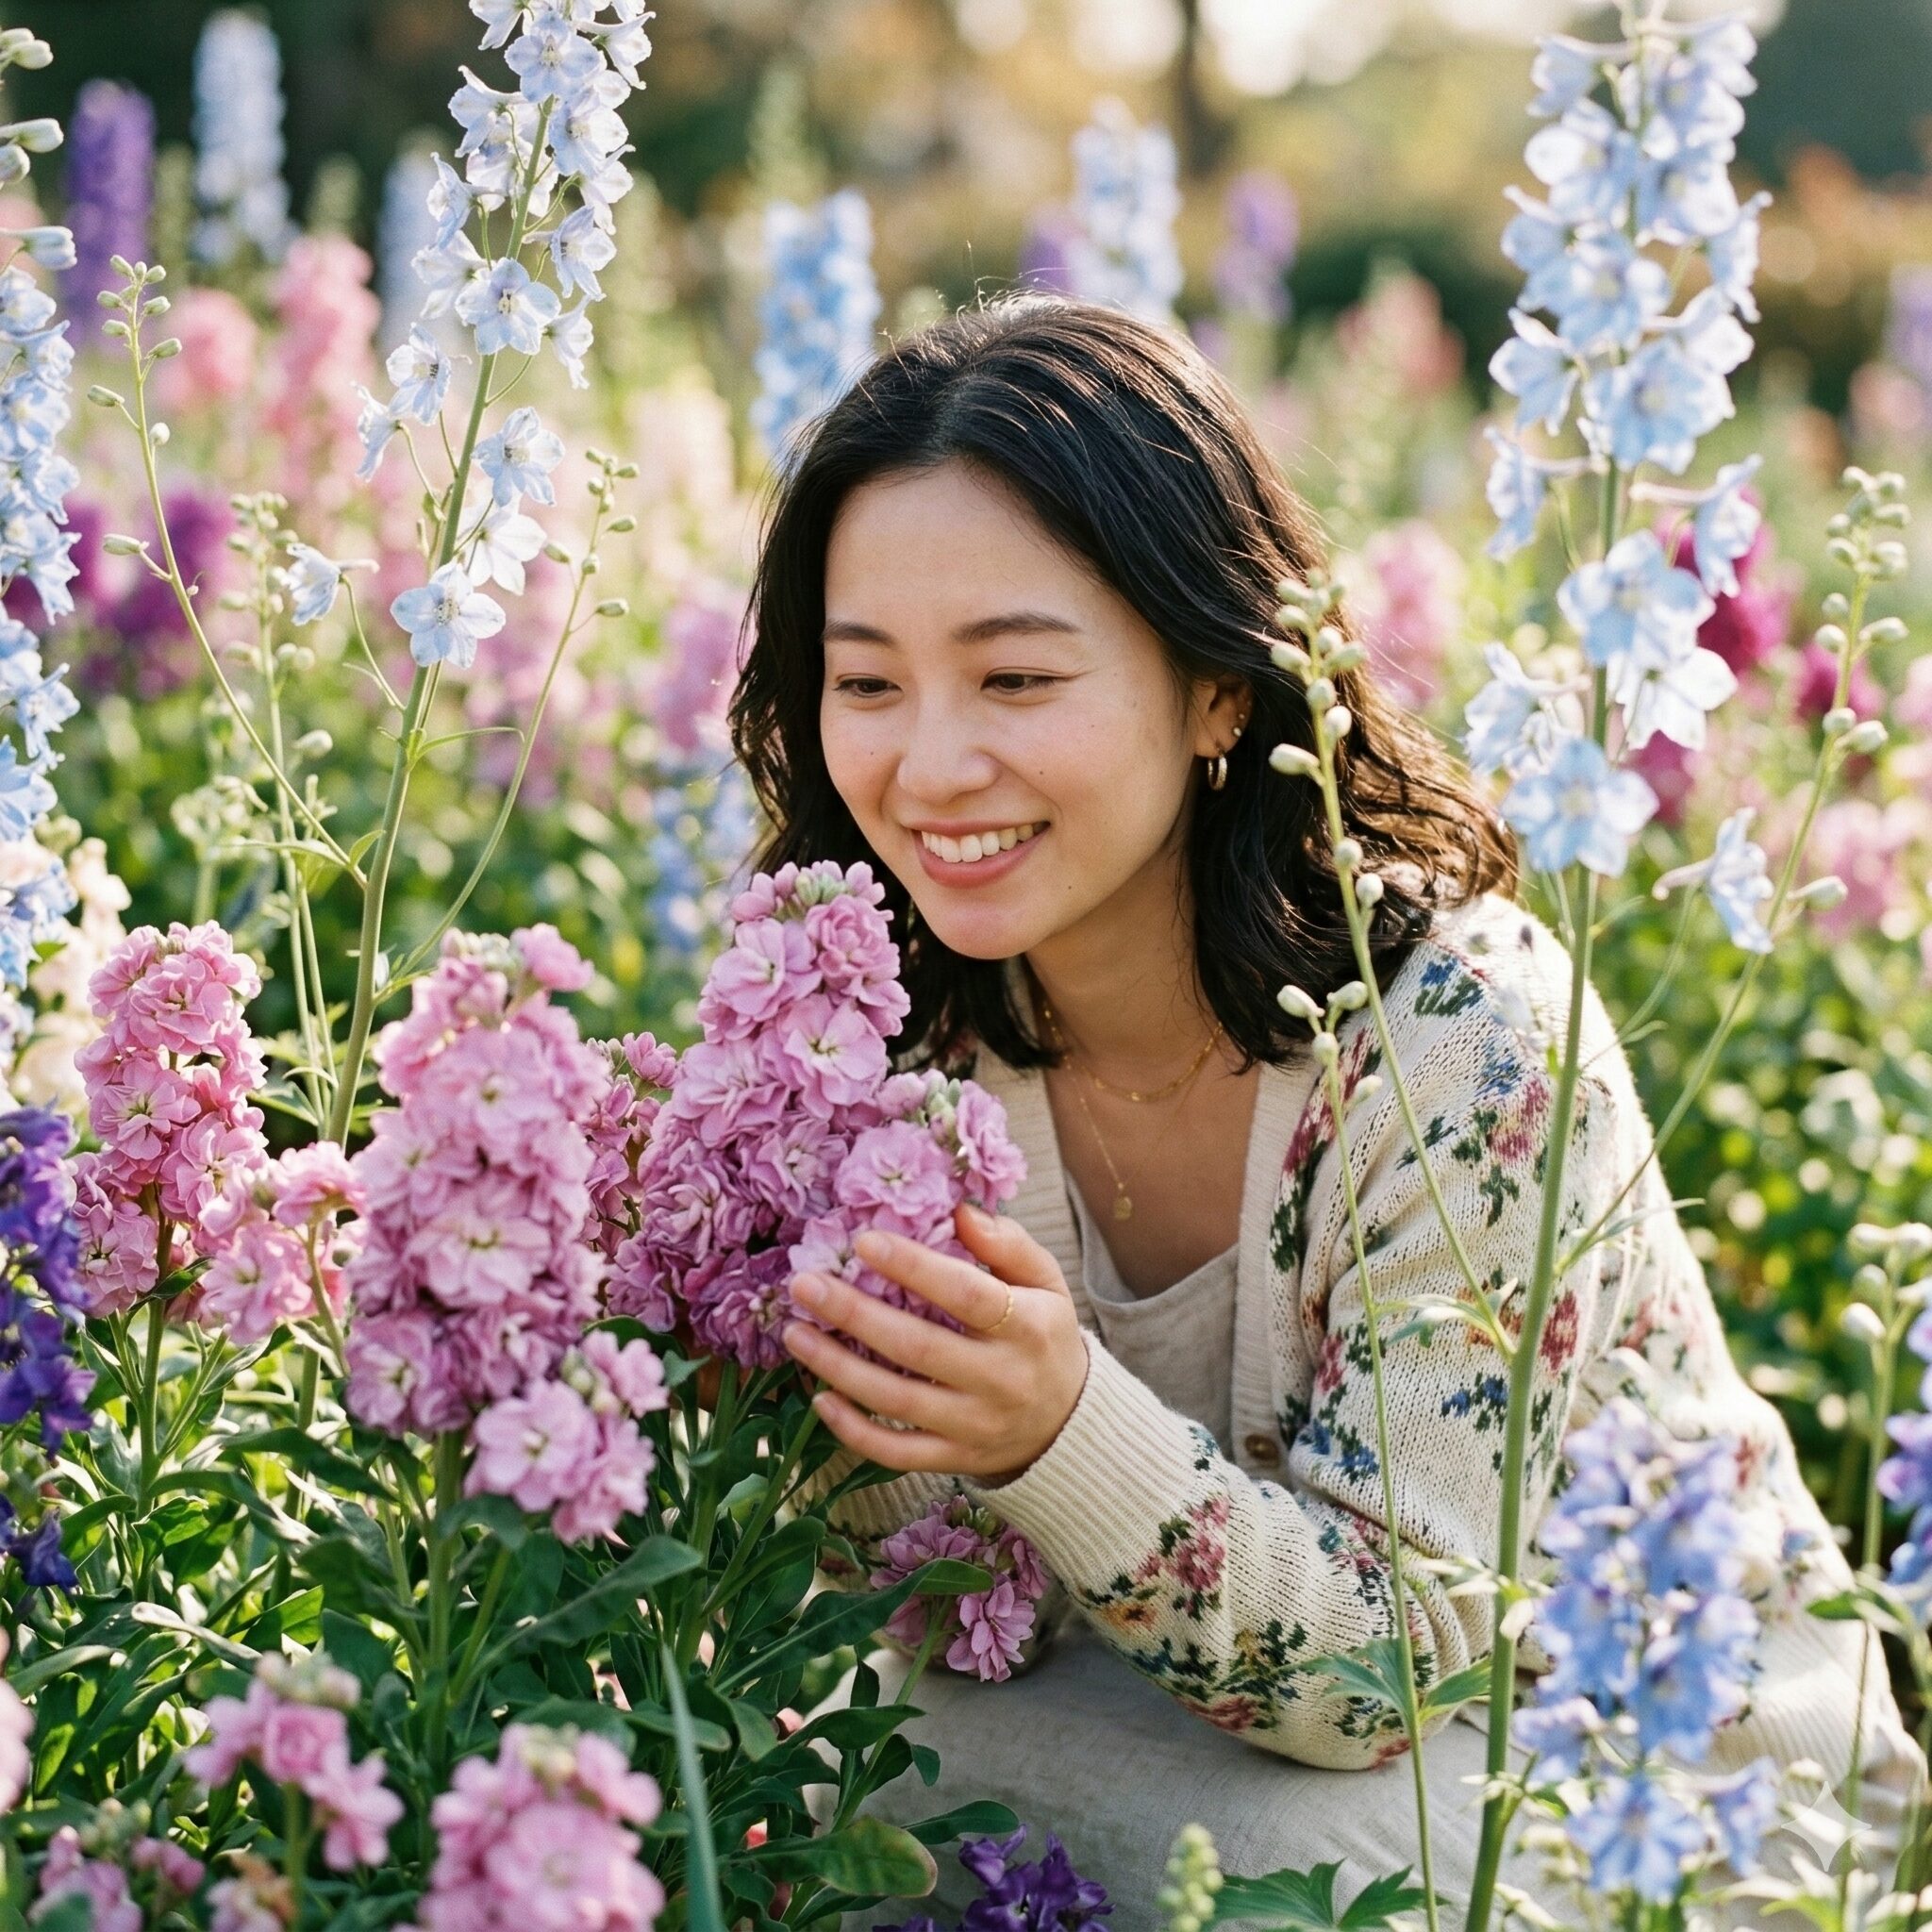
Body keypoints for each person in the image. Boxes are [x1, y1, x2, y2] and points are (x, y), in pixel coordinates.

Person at [726, 293, 1922, 1924]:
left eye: (1014, 677)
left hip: (1629, 1744)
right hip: (1179, 1722)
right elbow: (934, 1618)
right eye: (865, 685)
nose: (930, 768)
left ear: (1222, 685)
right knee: (795, 1777)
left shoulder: (1457, 1042)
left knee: (1309, 1887)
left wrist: (1057, 1430)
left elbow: (1394, 1665)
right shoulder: (892, 1025)